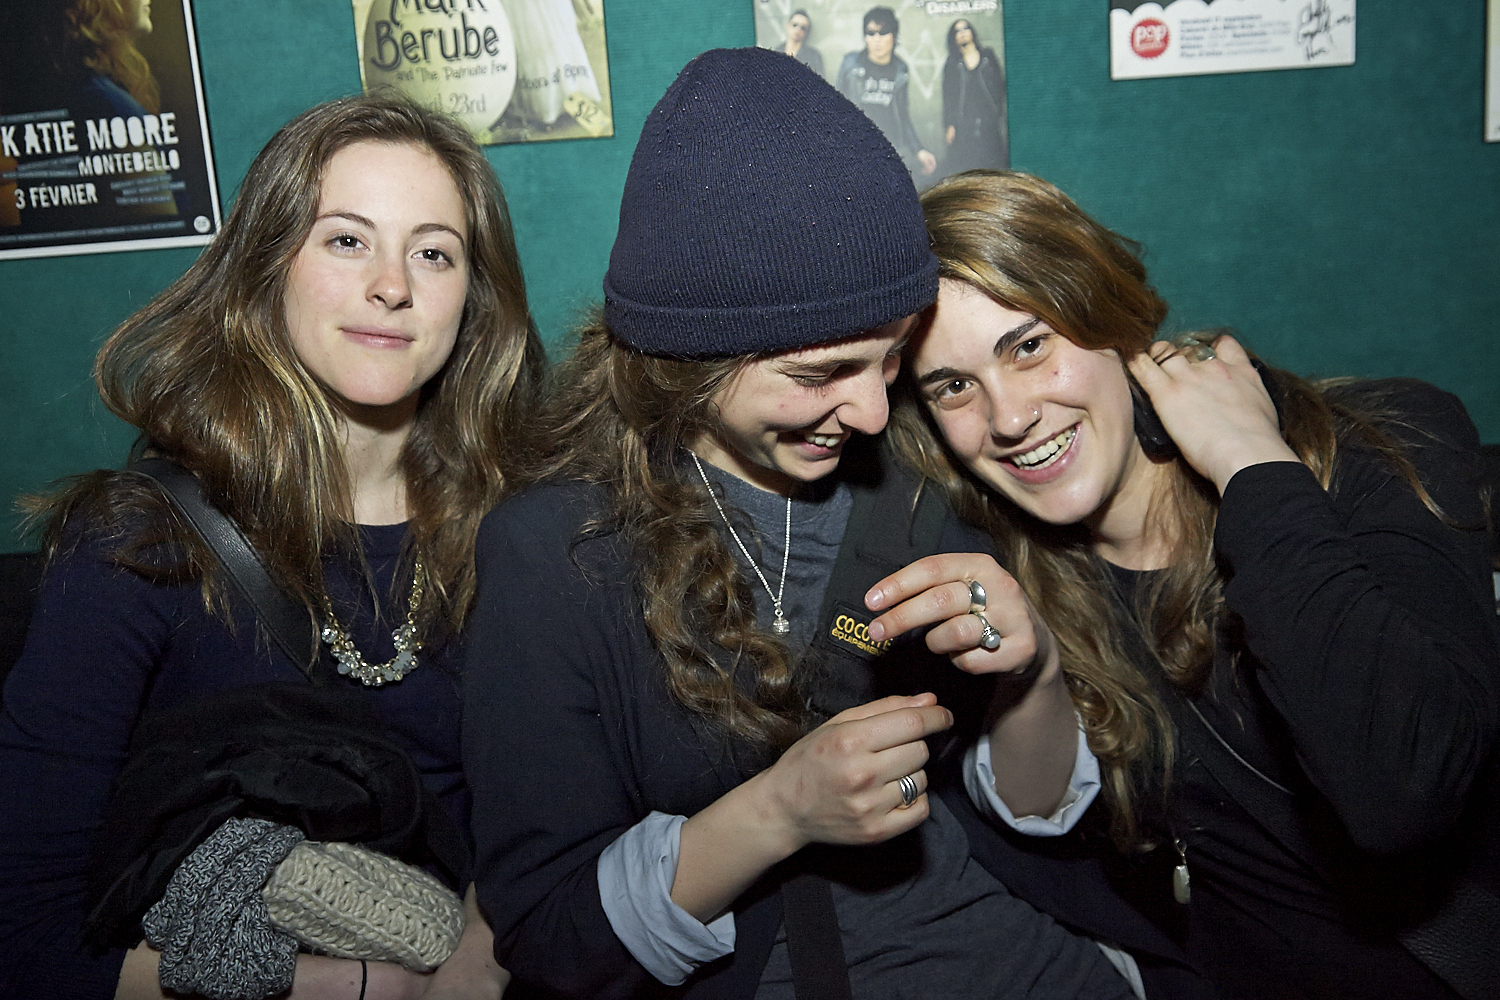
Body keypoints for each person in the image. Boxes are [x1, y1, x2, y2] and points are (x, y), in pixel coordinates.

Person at [464, 49, 1207, 1000]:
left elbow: (1034, 821)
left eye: (892, 359)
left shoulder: (916, 485)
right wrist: (778, 813)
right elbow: (552, 937)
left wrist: (1032, 671)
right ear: (689, 359)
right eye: (821, 374)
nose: (870, 412)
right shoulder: (555, 553)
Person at [893, 169, 1500, 1000]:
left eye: (1029, 346)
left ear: (1113, 323)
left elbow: (1403, 789)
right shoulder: (1004, 560)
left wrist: (1252, 467)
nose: (1008, 417)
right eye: (955, 386)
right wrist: (1030, 674)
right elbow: (1030, 823)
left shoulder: (1383, 445)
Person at [0, 93, 545, 1000]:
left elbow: (554, 825)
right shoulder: (138, 549)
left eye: (433, 252)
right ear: (267, 267)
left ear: (472, 300)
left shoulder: (522, 533)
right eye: (346, 240)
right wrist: (356, 987)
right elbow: (22, 944)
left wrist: (482, 950)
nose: (392, 285)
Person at [836, 7, 935, 180]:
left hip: (889, 150)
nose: (877, 40)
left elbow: (903, 116)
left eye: (883, 32)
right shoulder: (850, 64)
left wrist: (919, 150)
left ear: (894, 36)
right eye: (871, 33)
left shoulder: (900, 69)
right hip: (856, 148)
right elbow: (835, 108)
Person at [941, 18, 1007, 175]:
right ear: (953, 37)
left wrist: (997, 110)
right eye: (957, 31)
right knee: (965, 167)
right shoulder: (952, 63)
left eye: (965, 28)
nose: (962, 33)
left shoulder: (987, 56)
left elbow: (1000, 84)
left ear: (972, 32)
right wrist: (950, 124)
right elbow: (948, 97)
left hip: (988, 121)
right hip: (963, 124)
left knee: (993, 165)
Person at [776, 9, 823, 78]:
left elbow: (819, 81)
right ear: (787, 26)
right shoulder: (777, 51)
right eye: (795, 25)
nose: (798, 29)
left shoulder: (813, 56)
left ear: (807, 32)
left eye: (803, 28)